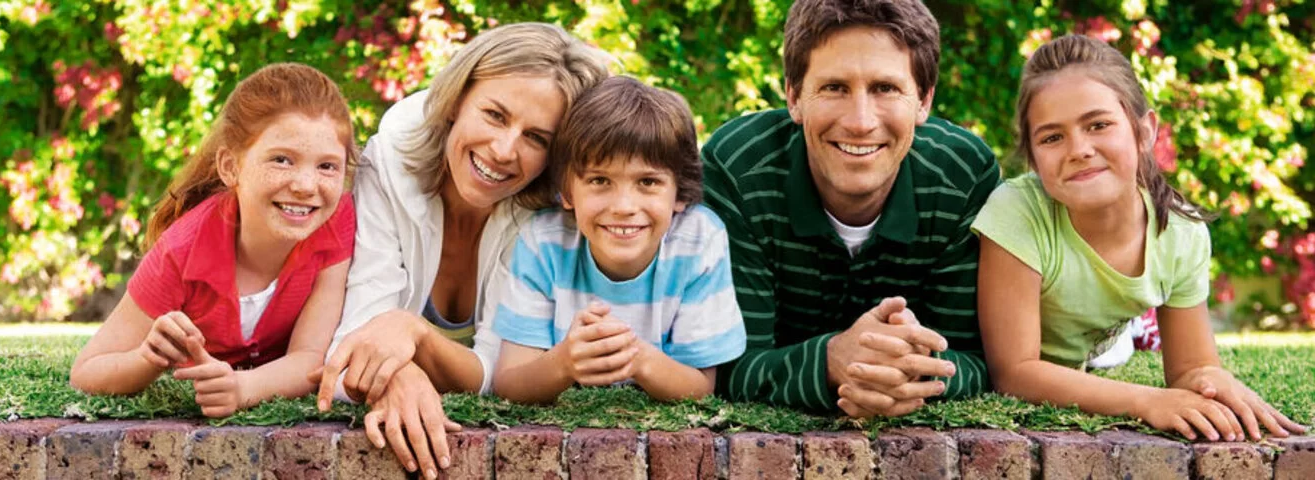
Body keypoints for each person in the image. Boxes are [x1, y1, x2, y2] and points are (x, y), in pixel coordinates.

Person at [974, 34, 1307, 442]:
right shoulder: (1018, 212)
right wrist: (1146, 400)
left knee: (1121, 351)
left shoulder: (1181, 235)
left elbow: (1189, 369)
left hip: (1084, 357)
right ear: (1032, 156)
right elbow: (1015, 372)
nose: (1078, 149)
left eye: (1098, 125)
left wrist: (1211, 379)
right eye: (1051, 137)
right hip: (991, 357)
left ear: (1145, 130)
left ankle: (1123, 341)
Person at [311, 23, 608, 479]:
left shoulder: (549, 213)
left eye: (536, 139)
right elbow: (353, 342)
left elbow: (501, 374)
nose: (505, 150)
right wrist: (399, 375)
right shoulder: (389, 161)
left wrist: (414, 332)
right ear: (456, 100)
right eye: (494, 114)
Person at [700, 0, 1000, 417]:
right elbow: (724, 367)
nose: (860, 121)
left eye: (885, 88)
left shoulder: (963, 176)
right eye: (834, 87)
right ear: (793, 97)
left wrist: (906, 372)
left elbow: (984, 362)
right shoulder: (739, 169)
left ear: (924, 101)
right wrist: (829, 362)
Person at [69, 63, 358, 418]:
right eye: (282, 160)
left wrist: (243, 388)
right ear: (230, 167)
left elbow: (309, 357)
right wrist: (148, 357)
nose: (306, 185)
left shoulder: (336, 219)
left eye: (327, 166)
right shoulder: (182, 251)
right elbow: (86, 372)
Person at [489, 76, 746, 404]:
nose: (624, 207)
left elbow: (700, 388)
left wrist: (636, 357)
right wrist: (564, 363)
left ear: (680, 192)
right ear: (567, 191)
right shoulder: (544, 243)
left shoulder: (698, 240)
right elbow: (510, 382)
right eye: (599, 180)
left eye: (648, 182)